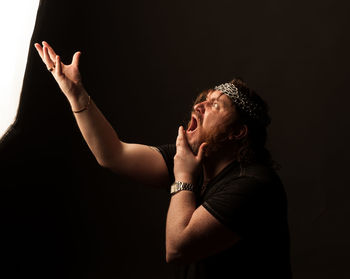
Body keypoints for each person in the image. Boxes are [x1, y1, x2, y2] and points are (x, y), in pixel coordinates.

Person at [34, 41, 292, 278]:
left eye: (215, 105)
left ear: (238, 132)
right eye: (204, 100)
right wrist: (76, 94)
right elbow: (113, 155)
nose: (199, 106)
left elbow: (177, 249)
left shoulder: (254, 185)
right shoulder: (194, 161)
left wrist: (182, 177)